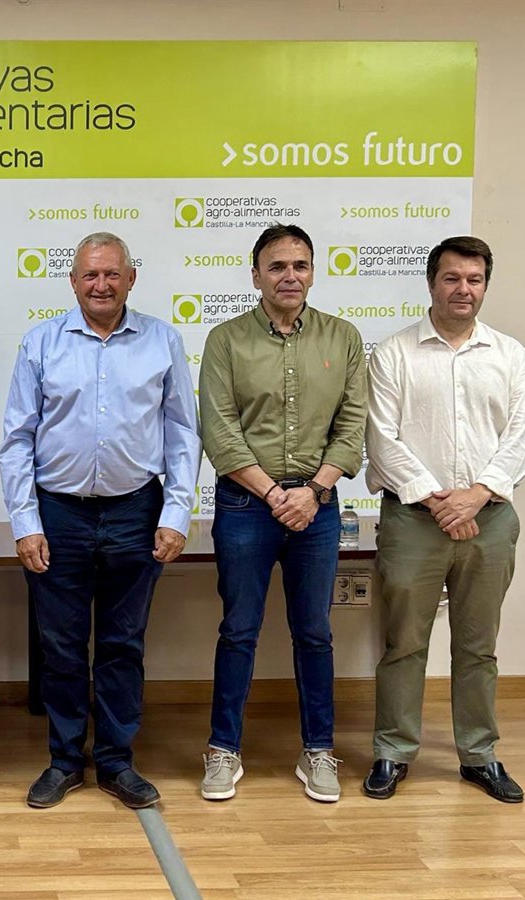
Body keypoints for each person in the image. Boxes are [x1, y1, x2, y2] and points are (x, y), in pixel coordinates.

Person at [0, 232, 200, 809]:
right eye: (90, 274)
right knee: (60, 646)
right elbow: (16, 439)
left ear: (131, 279)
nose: (102, 285)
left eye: (113, 274)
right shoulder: (41, 343)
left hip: (136, 511)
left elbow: (183, 433)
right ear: (73, 281)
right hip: (58, 513)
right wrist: (26, 522)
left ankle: (115, 761)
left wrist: (176, 513)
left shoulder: (162, 340)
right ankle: (65, 761)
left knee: (123, 644)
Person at [198, 223, 366, 803]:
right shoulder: (225, 340)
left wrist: (313, 491)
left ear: (312, 273)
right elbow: (220, 431)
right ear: (256, 276)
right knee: (238, 630)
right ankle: (223, 749)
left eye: (300, 265)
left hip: (318, 508)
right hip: (246, 505)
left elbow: (353, 425)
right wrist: (275, 495)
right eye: (276, 266)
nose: (289, 276)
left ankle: (318, 750)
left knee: (314, 632)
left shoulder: (343, 337)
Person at [363, 236, 525, 803]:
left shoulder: (510, 356)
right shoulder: (394, 353)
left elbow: (519, 440)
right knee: (404, 643)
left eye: (474, 279)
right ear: (432, 283)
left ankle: (479, 755)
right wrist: (441, 502)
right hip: (414, 521)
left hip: (491, 519)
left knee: (478, 647)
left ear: (485, 285)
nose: (464, 289)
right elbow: (381, 439)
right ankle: (393, 751)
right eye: (452, 278)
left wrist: (476, 496)